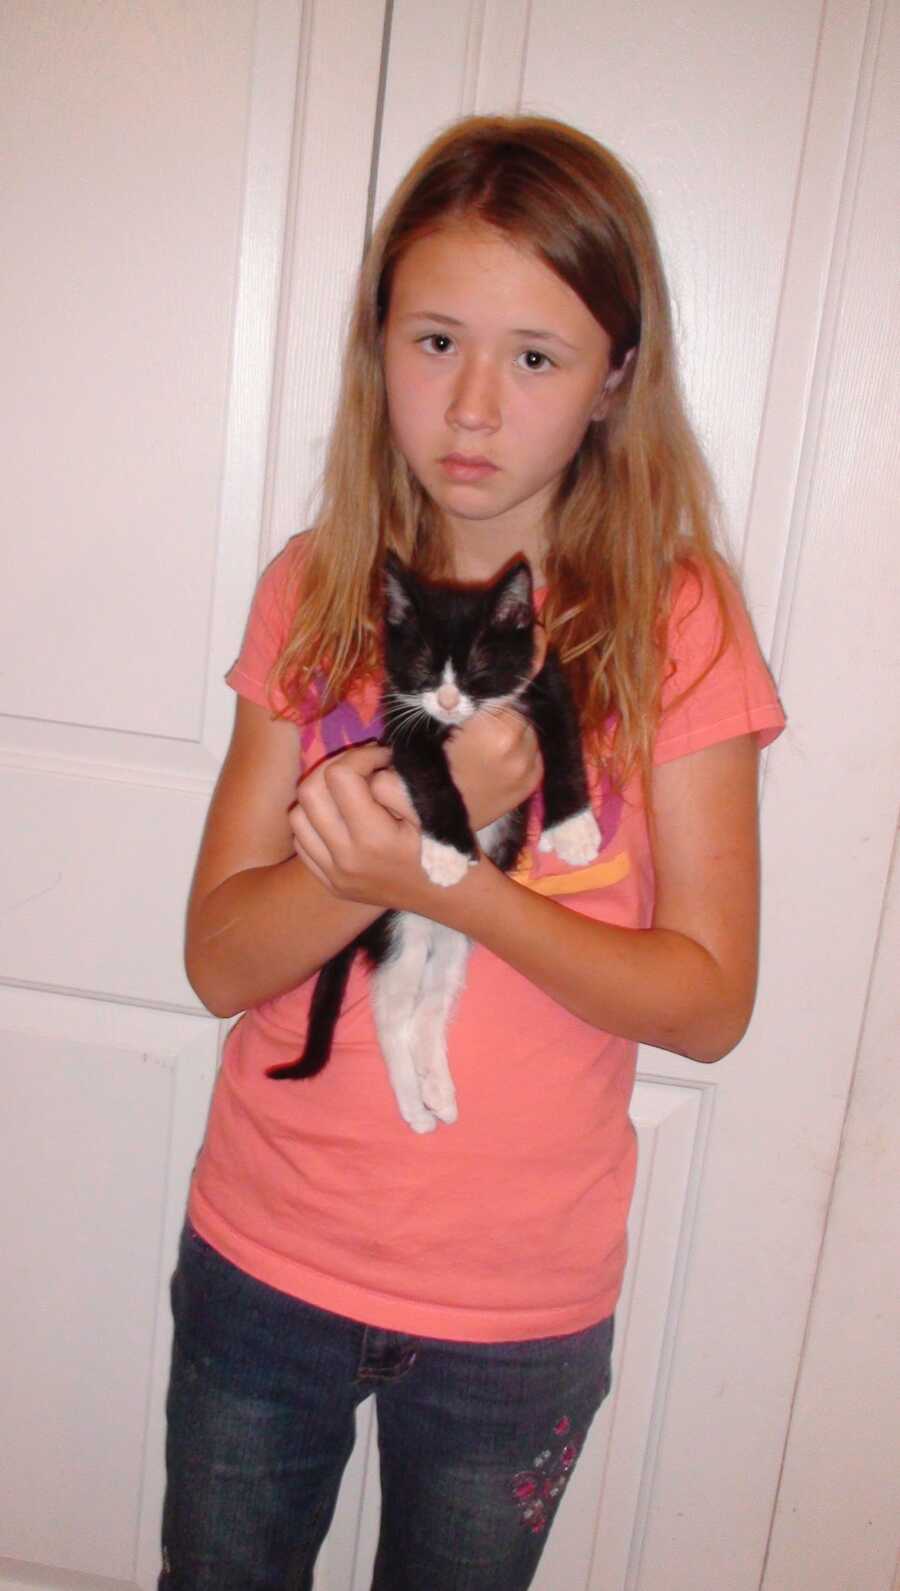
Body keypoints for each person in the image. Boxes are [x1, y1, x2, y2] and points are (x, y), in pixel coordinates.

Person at [160, 115, 785, 1590]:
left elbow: (708, 999)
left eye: (538, 356)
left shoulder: (671, 620)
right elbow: (213, 961)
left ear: (615, 378)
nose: (476, 409)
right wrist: (365, 868)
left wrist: (454, 878)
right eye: (436, 340)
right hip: (265, 1252)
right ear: (377, 341)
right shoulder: (314, 594)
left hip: (517, 1303)